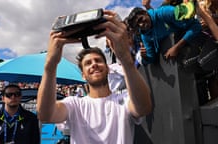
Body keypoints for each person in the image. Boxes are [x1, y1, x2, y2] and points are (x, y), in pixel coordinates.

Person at [36, 10, 152, 144]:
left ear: (108, 68)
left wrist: (125, 58)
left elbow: (144, 107)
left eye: (98, 60)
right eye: (88, 63)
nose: (94, 65)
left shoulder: (124, 99)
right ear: (83, 75)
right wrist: (50, 65)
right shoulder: (74, 104)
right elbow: (45, 114)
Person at [126, 5, 201, 66]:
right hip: (183, 61)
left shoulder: (167, 12)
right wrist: (144, 57)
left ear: (145, 12)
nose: (141, 24)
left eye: (140, 19)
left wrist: (177, 47)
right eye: (137, 25)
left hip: (199, 44)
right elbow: (152, 58)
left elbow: (196, 26)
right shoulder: (145, 35)